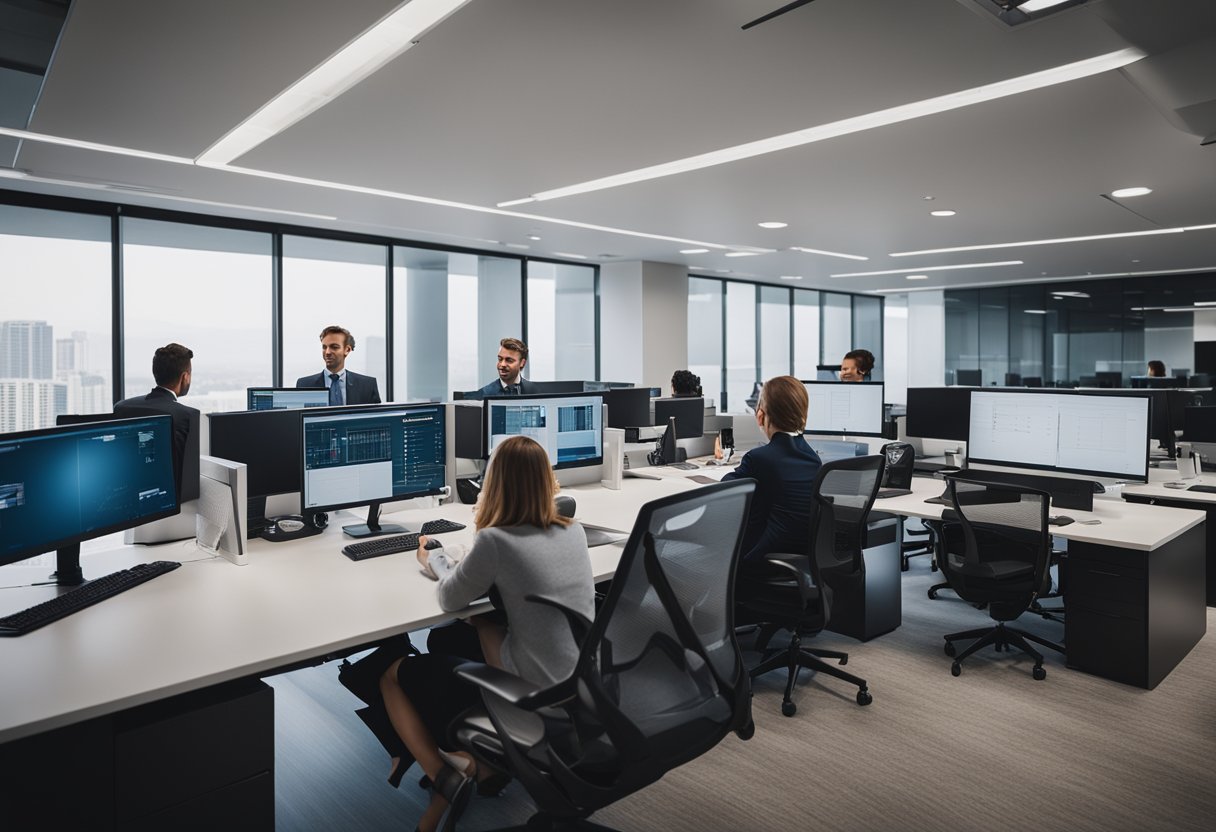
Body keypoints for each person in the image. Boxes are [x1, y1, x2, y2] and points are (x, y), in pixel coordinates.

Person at [378, 435, 595, 832]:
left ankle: (445, 773)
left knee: (393, 673)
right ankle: (482, 765)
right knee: (449, 638)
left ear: (493, 482)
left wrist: (434, 557)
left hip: (528, 693)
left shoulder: (498, 540)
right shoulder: (573, 531)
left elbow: (449, 597)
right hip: (580, 687)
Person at [722, 375, 822, 564]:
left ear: (760, 416)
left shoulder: (759, 458)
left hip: (761, 559)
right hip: (802, 557)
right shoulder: (813, 458)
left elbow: (724, 491)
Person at [115, 342, 198, 491]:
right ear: (185, 377)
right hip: (172, 500)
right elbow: (187, 478)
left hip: (127, 491)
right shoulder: (186, 416)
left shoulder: (121, 407)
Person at [296, 325, 381, 405]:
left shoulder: (367, 386)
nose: (327, 352)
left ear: (347, 350)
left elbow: (377, 419)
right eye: (324, 347)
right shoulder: (304, 385)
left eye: (334, 347)